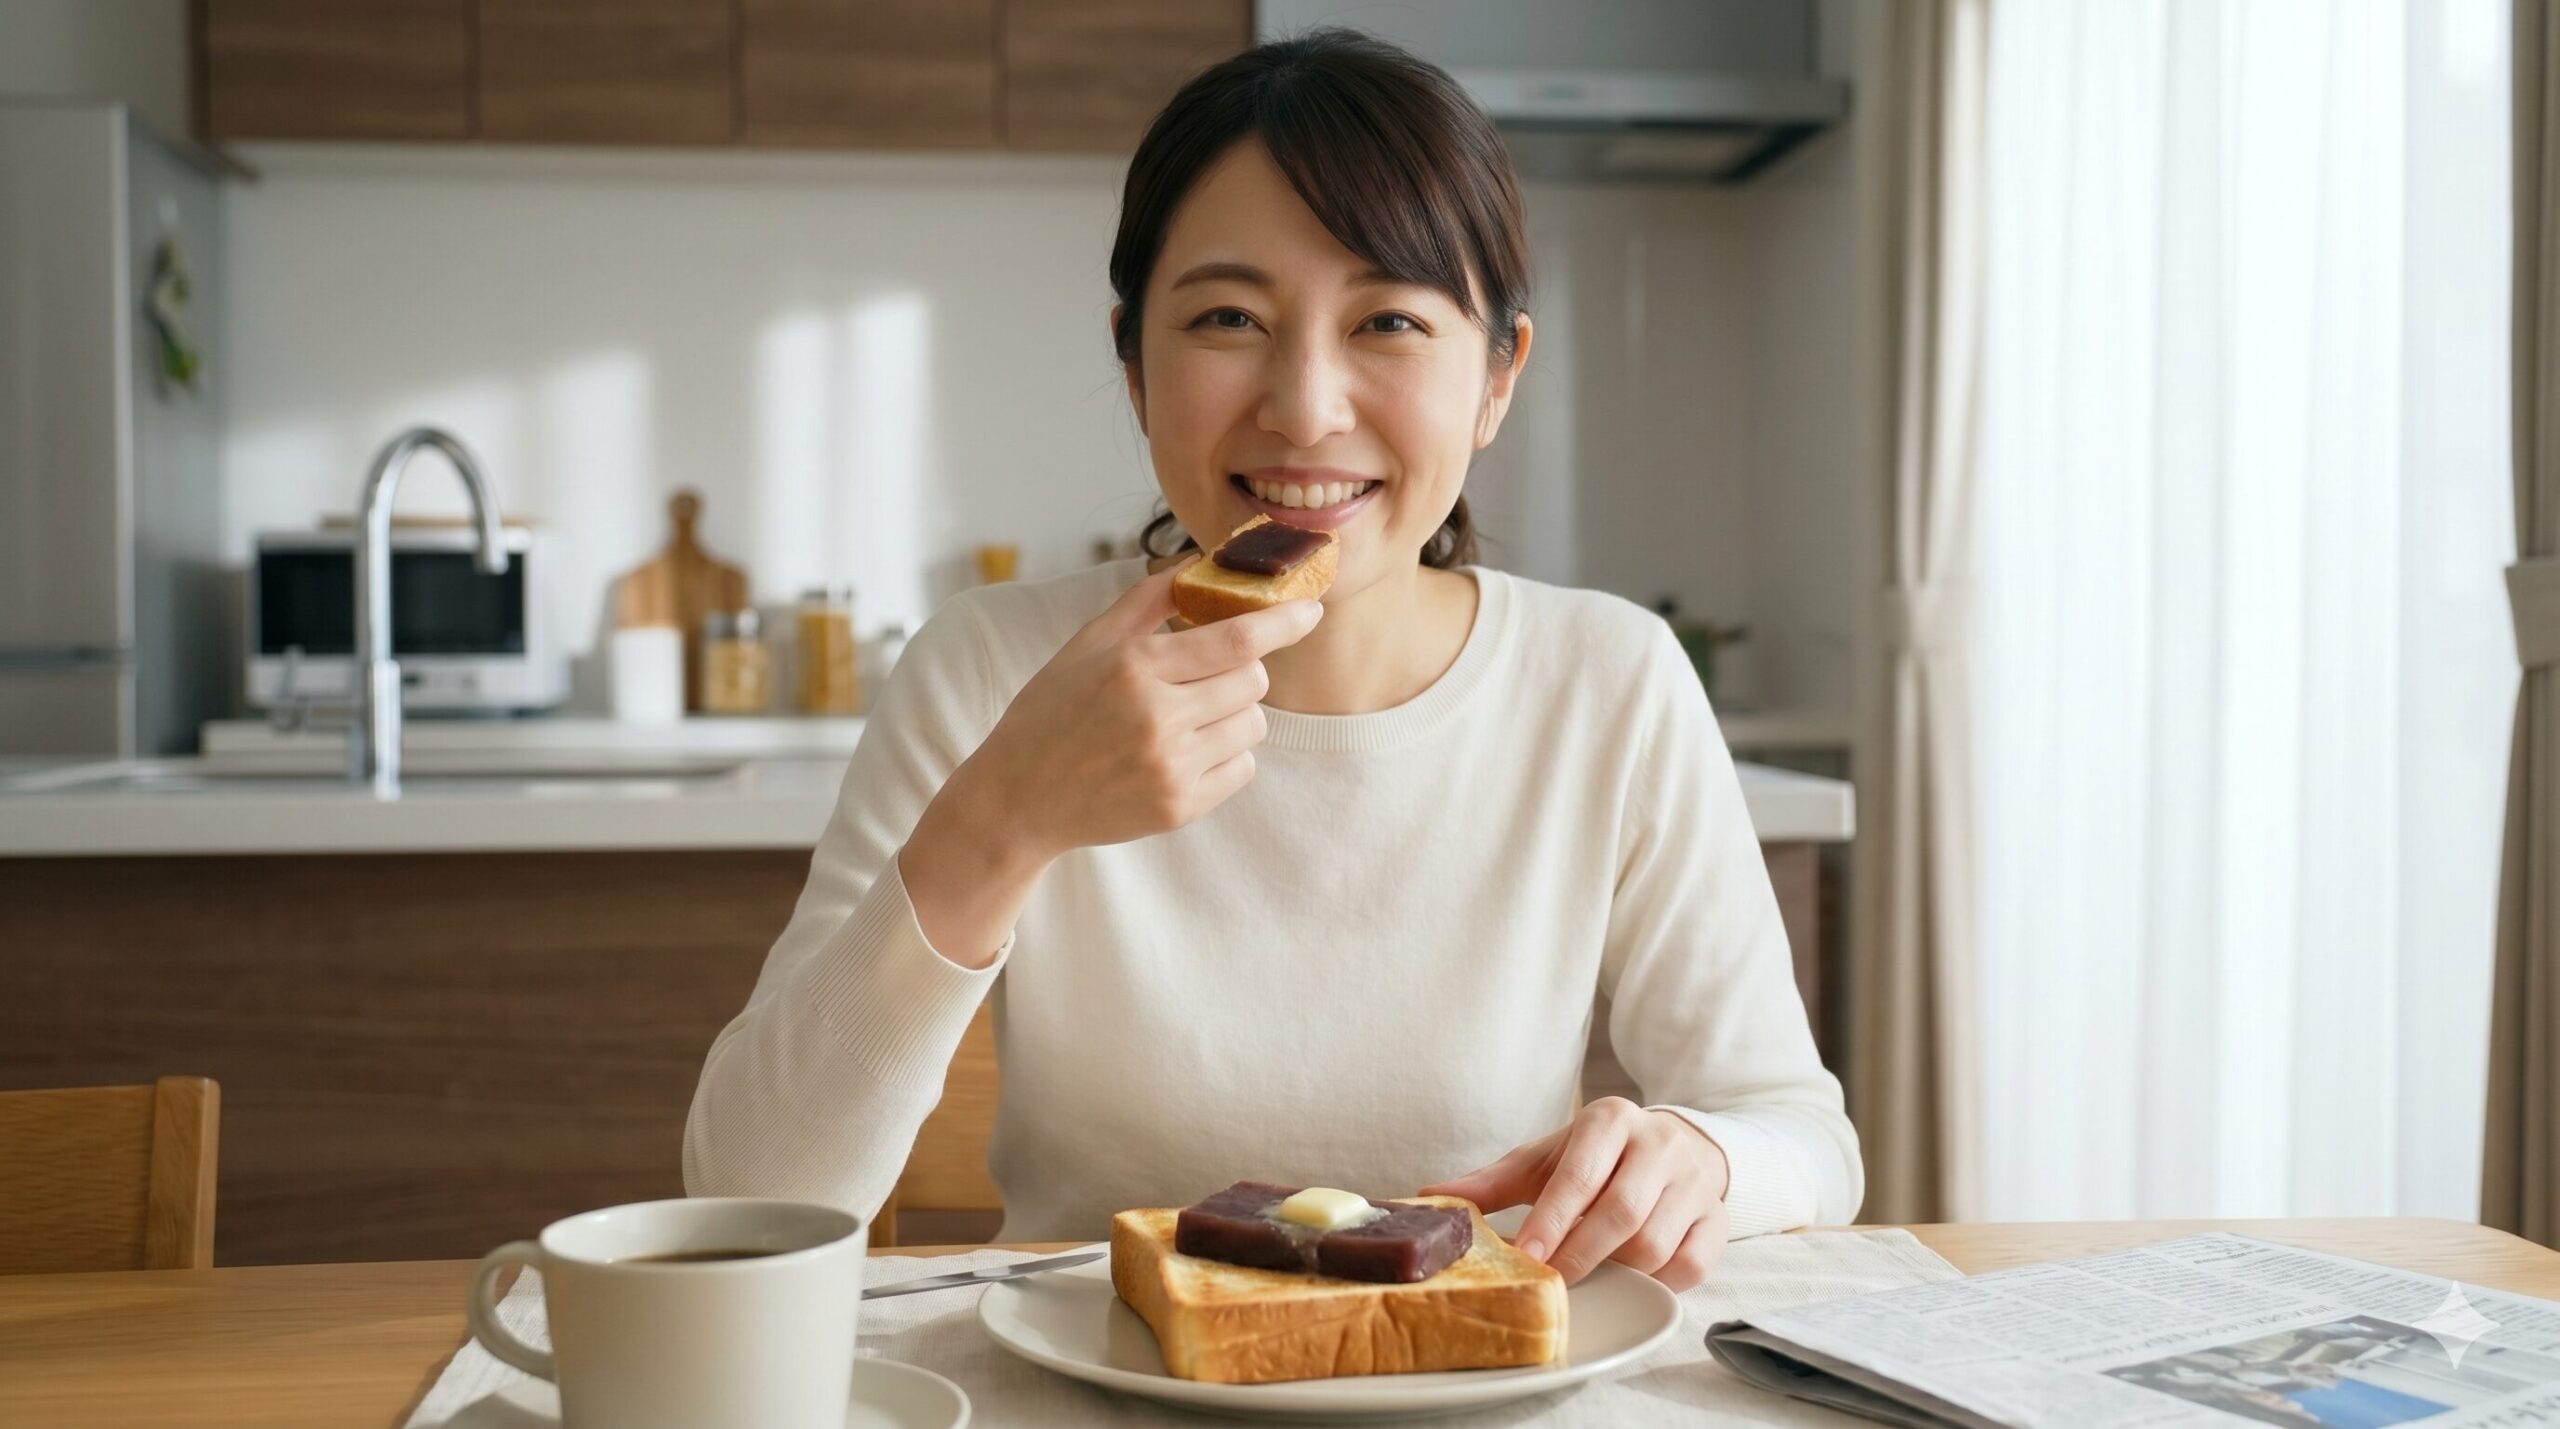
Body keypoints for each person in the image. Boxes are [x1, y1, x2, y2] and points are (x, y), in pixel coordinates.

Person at [683, 28, 1861, 1292]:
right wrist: (1003, 818)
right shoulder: (991, 668)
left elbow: (1801, 1138)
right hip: (1084, 1370)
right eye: (1229, 316)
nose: (1305, 408)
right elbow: (753, 1195)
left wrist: (1699, 1152)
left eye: (1390, 321)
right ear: (1135, 365)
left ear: (1496, 379)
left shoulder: (1607, 681)